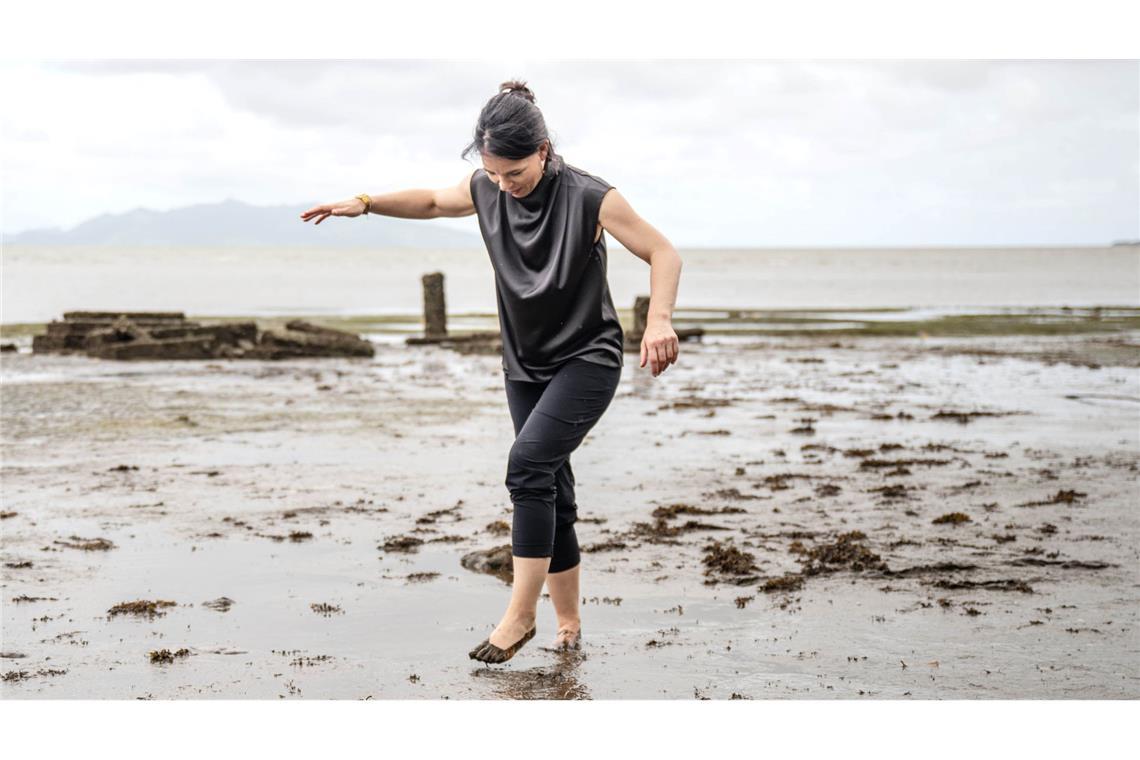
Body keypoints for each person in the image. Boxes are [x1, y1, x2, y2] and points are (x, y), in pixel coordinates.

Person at [300, 79, 683, 663]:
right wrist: (367, 202)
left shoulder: (590, 197)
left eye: (517, 175)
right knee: (553, 485)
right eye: (495, 175)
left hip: (587, 359)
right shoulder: (487, 185)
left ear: (544, 151)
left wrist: (658, 321)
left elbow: (664, 252)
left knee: (527, 467)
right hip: (524, 364)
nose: (505, 186)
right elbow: (431, 202)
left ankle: (520, 613)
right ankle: (570, 624)